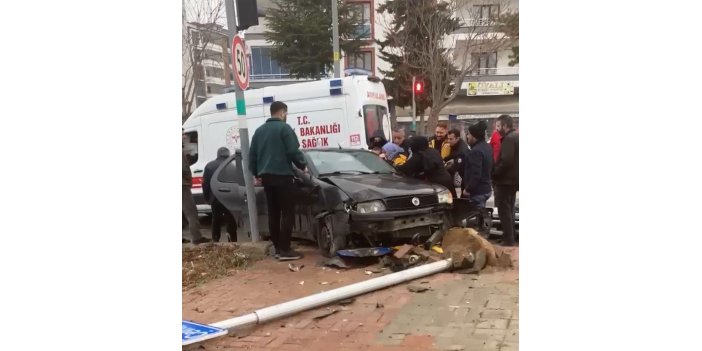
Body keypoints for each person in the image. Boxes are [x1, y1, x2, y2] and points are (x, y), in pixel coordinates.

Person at [249, 101, 307, 261]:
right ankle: (285, 249)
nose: (286, 116)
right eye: (286, 113)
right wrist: (302, 165)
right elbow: (293, 151)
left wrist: (256, 172)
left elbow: (251, 156)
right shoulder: (284, 128)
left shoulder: (259, 131)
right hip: (283, 176)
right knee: (287, 213)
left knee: (273, 213)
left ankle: (277, 248)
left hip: (267, 178)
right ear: (282, 112)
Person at [492, 114, 519, 246]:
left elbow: (506, 160)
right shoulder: (517, 137)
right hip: (514, 180)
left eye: (498, 126)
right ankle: (510, 237)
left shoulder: (509, 139)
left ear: (505, 125)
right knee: (510, 209)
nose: (497, 129)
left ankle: (508, 239)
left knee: (504, 210)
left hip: (505, 180)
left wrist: (495, 173)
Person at [203, 147, 237, 242]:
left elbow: (205, 184)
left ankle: (215, 239)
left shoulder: (209, 166)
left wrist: (207, 198)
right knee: (230, 218)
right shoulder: (232, 166)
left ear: (218, 155)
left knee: (216, 218)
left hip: (215, 197)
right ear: (228, 155)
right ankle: (232, 239)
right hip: (228, 197)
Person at [183, 148, 211, 245]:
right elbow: (184, 168)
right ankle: (196, 237)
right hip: (183, 186)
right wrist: (188, 181)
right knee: (191, 212)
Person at [462, 121, 493, 208]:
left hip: (477, 192)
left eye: (468, 134)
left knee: (476, 218)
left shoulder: (476, 151)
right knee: (482, 215)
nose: (467, 137)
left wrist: (468, 189)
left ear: (474, 136)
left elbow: (476, 174)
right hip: (486, 188)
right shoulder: (487, 147)